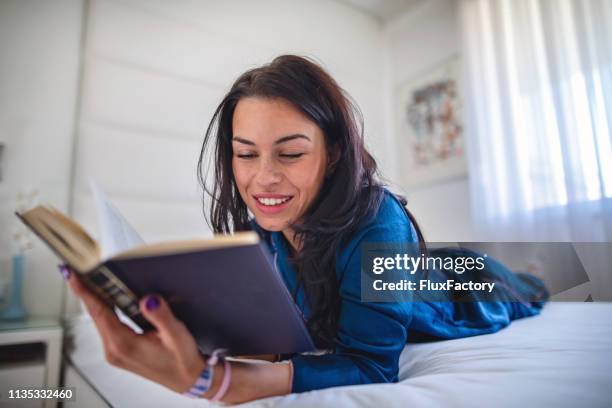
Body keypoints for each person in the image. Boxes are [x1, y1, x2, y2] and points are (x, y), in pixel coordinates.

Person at [63, 55, 547, 404]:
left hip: (461, 288)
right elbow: (280, 331)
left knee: (524, 287)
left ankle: (530, 274)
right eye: (246, 154)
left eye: (291, 153)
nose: (264, 178)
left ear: (333, 152)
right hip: (403, 271)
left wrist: (227, 383)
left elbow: (372, 364)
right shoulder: (261, 231)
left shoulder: (378, 219)